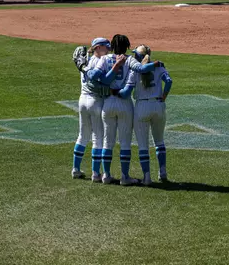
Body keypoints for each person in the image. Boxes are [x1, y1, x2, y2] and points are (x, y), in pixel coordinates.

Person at [89, 34, 160, 186]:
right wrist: (155, 64)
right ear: (127, 47)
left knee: (108, 141)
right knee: (125, 143)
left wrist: (103, 82)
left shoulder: (105, 59)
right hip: (125, 104)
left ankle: (106, 175)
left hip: (108, 103)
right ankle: (124, 176)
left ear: (112, 46)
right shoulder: (129, 59)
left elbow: (95, 75)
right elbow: (140, 68)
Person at [123, 45, 173, 185]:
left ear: (137, 57)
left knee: (143, 145)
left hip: (142, 106)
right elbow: (169, 81)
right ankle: (162, 172)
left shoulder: (135, 71)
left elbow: (128, 89)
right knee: (159, 141)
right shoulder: (159, 66)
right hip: (158, 105)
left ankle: (147, 178)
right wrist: (163, 96)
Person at [71, 38, 111, 182]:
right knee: (98, 138)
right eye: (107, 48)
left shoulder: (85, 61)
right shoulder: (99, 61)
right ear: (98, 48)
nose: (109, 51)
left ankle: (75, 169)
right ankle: (95, 173)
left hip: (82, 100)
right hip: (95, 101)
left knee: (82, 135)